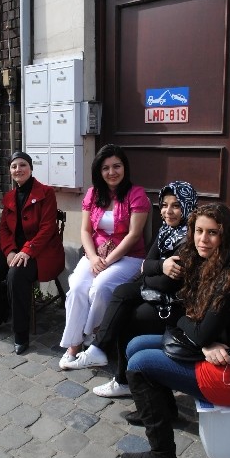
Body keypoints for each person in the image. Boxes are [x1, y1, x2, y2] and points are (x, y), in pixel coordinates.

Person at [121, 203, 230, 458]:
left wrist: (199, 334)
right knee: (134, 346)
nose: (203, 239)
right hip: (217, 352)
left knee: (139, 365)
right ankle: (162, 410)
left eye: (212, 233)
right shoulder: (204, 261)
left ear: (226, 235)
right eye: (199, 231)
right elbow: (180, 307)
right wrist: (202, 338)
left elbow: (192, 325)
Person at [66, 181, 197, 400]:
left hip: (175, 303)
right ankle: (99, 351)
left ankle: (121, 380)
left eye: (176, 206)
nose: (168, 211)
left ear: (187, 206)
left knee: (128, 316)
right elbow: (146, 265)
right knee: (122, 292)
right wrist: (160, 267)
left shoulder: (191, 238)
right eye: (165, 205)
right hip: (157, 293)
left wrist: (153, 271)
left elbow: (167, 284)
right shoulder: (166, 230)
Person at [58, 144, 151, 370]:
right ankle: (73, 345)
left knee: (100, 287)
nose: (112, 172)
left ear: (125, 168)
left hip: (129, 257)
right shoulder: (93, 194)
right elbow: (85, 231)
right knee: (77, 287)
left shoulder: (136, 194)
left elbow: (134, 235)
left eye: (116, 166)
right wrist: (92, 258)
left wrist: (107, 262)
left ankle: (93, 339)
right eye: (105, 168)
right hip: (96, 255)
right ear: (99, 172)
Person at [0, 151, 65, 355]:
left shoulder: (46, 193)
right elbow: (4, 229)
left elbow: (48, 228)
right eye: (14, 166)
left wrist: (26, 251)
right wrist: (9, 251)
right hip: (14, 248)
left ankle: (20, 333)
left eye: (23, 165)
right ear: (10, 171)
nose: (18, 169)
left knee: (16, 274)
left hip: (41, 251)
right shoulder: (9, 197)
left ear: (31, 168)